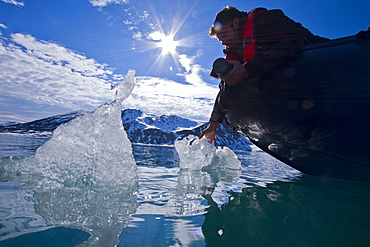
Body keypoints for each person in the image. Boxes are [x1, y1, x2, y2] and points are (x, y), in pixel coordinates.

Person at [199, 6, 328, 143]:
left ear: (236, 23)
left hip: (323, 64)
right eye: (221, 40)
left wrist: (248, 69)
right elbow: (227, 87)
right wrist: (213, 124)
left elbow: (292, 43)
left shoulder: (266, 20)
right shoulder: (236, 52)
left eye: (224, 35)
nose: (224, 42)